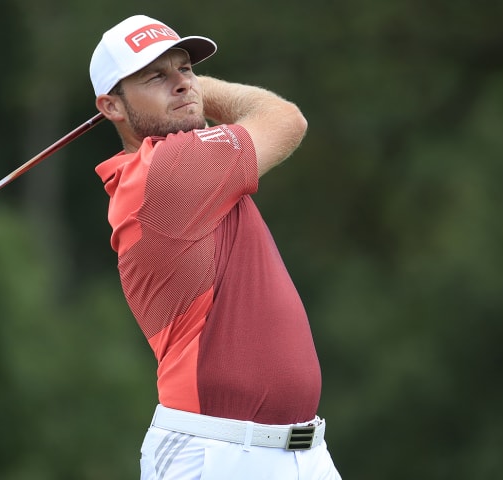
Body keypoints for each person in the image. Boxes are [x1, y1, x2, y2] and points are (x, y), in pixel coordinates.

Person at [90, 15, 341, 480]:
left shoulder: (182, 169)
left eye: (186, 69)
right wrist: (204, 87)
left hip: (302, 452)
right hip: (216, 454)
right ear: (112, 107)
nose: (183, 84)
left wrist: (182, 88)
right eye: (156, 76)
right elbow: (287, 119)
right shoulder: (168, 170)